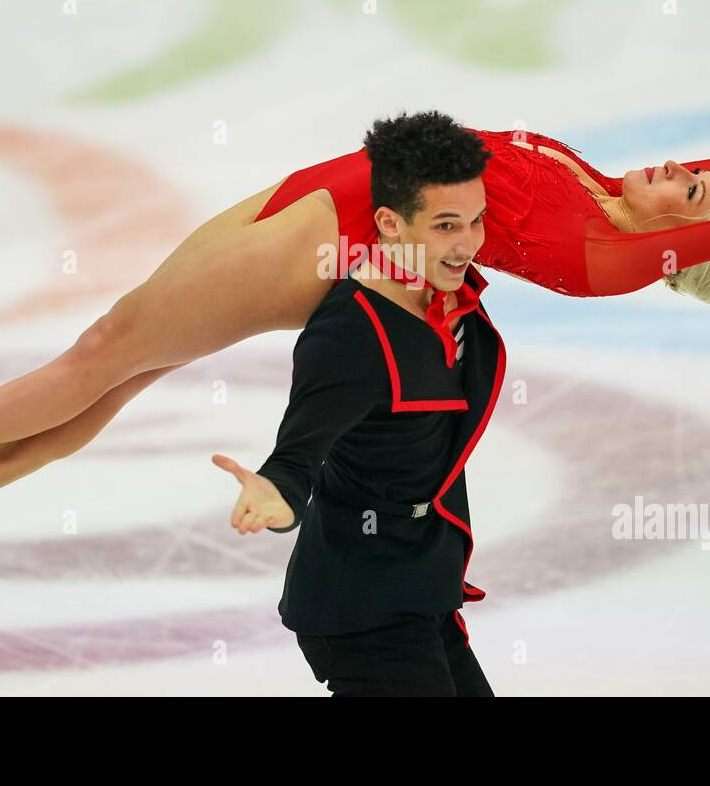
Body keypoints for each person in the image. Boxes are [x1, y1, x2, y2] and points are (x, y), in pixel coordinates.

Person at [0, 111, 710, 597]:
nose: (692, 170)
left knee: (106, 348)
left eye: (697, 192)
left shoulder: (616, 253)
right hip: (323, 194)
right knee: (127, 359)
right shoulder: (614, 188)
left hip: (331, 239)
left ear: (686, 245)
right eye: (701, 170)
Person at [212, 119, 501, 694]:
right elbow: (296, 457)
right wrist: (275, 496)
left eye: (477, 220)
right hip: (361, 608)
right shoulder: (350, 334)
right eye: (446, 225)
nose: (468, 243)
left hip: (424, 589)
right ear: (390, 224)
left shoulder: (447, 291)